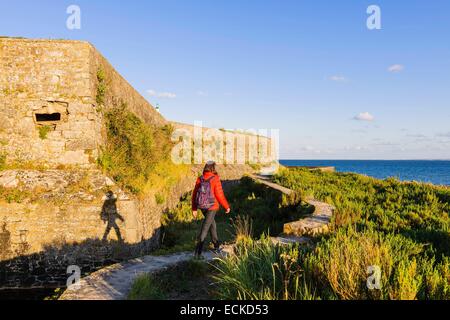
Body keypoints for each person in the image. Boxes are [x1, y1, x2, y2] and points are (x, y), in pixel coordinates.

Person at [192, 161, 231, 258]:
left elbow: (194, 194)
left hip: (202, 206)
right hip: (212, 207)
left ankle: (216, 246)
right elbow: (219, 194)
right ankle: (198, 253)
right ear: (213, 168)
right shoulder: (215, 178)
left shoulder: (200, 178)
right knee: (205, 228)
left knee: (212, 224)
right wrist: (226, 206)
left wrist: (194, 208)